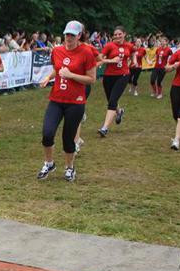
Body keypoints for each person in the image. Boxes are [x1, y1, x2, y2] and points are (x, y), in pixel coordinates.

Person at [38, 20, 98, 181]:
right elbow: (57, 69)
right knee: (47, 133)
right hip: (56, 99)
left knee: (68, 138)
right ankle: (49, 163)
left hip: (75, 102)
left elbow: (92, 79)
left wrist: (71, 75)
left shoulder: (86, 52)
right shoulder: (57, 51)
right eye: (66, 34)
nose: (68, 38)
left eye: (72, 35)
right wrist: (48, 77)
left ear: (79, 36)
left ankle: (70, 167)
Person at [96, 26, 134, 138]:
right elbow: (99, 59)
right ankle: (119, 111)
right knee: (111, 99)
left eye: (119, 34)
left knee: (112, 101)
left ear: (124, 34)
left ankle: (104, 128)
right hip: (108, 76)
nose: (117, 36)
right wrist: (111, 60)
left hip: (123, 75)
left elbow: (133, 53)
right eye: (115, 34)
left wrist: (133, 61)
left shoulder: (129, 45)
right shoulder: (109, 45)